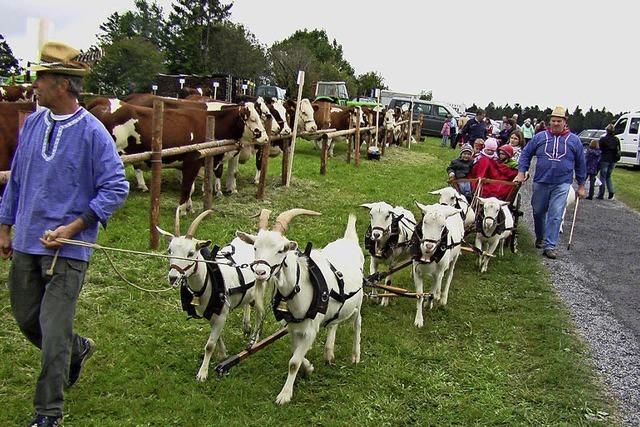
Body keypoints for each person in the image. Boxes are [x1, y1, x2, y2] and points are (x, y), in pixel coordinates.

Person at [0, 42, 129, 427]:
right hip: (26, 241)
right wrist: (6, 227)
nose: (35, 84)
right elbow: (18, 180)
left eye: (41, 77)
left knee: (53, 329)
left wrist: (75, 227)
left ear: (62, 84)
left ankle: (48, 413)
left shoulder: (92, 133)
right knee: (27, 320)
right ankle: (76, 350)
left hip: (68, 249)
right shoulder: (35, 123)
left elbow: (116, 186)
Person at [515, 106, 586, 260]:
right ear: (550, 121)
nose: (555, 123)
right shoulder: (540, 137)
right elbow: (526, 153)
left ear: (564, 122)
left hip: (562, 183)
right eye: (553, 120)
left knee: (556, 214)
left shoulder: (574, 140)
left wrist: (581, 185)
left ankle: (550, 245)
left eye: (558, 121)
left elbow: (581, 164)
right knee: (538, 211)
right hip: (541, 180)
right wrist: (522, 172)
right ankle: (540, 237)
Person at [596, 124, 621, 200]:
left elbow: (599, 149)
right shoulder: (616, 139)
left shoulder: (603, 139)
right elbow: (618, 149)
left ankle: (601, 194)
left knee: (602, 177)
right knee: (608, 176)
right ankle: (611, 191)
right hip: (613, 160)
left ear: (606, 130)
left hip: (604, 159)